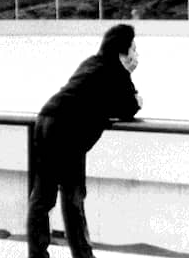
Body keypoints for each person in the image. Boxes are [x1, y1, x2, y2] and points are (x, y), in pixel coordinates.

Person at [27, 24, 142, 258]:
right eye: (134, 49)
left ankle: (37, 254)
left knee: (43, 196)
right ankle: (83, 255)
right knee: (73, 198)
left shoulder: (92, 63)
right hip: (69, 130)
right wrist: (130, 80)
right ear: (123, 53)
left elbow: (105, 100)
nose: (137, 54)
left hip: (46, 120)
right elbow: (128, 107)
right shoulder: (114, 71)